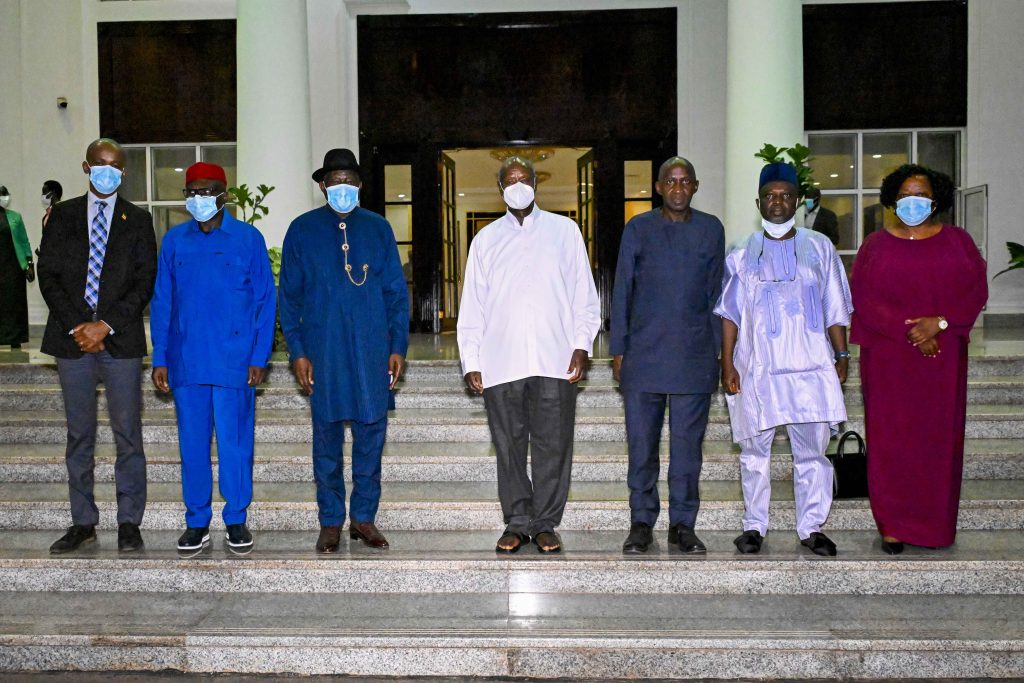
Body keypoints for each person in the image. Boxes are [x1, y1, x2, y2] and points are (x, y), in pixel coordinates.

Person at [458, 156, 601, 554]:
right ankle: (517, 521)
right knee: (509, 446)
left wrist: (582, 343)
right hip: (500, 362)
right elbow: (473, 305)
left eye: (524, 179)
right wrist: (472, 360)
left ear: (537, 182)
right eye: (510, 180)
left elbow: (583, 296)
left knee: (553, 445)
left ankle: (545, 523)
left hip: (555, 359)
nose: (518, 185)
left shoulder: (565, 231)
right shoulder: (484, 240)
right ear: (500, 188)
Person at [715, 162, 852, 557]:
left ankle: (811, 526)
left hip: (810, 366)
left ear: (797, 201)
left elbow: (835, 307)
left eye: (785, 196)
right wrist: (728, 365)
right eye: (770, 196)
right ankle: (754, 525)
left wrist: (841, 354)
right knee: (755, 450)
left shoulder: (819, 247)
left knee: (811, 451)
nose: (778, 202)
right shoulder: (741, 251)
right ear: (759, 202)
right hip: (757, 366)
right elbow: (729, 312)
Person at [850, 164, 987, 555]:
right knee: (892, 441)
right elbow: (862, 297)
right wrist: (911, 331)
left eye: (922, 194)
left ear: (936, 198)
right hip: (889, 358)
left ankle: (935, 526)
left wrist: (939, 323)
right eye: (906, 194)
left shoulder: (958, 242)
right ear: (894, 199)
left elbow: (974, 290)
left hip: (941, 361)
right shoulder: (876, 245)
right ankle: (892, 525)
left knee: (937, 443)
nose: (914, 201)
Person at [279, 148, 409, 553]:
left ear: (360, 186)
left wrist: (398, 346)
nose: (342, 188)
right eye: (334, 182)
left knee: (371, 436)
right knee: (327, 440)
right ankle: (331, 520)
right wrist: (297, 351)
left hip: (372, 352)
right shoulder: (302, 230)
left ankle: (364, 518)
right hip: (323, 354)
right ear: (322, 186)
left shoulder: (378, 228)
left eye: (349, 181)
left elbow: (395, 294)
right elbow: (290, 298)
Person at [37, 138, 157, 554]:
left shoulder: (138, 220)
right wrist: (79, 327)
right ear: (86, 167)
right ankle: (82, 521)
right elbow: (48, 276)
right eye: (100, 164)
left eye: (116, 167)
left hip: (119, 340)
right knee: (79, 435)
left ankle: (129, 522)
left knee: (128, 434)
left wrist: (104, 325)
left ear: (124, 173)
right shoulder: (62, 216)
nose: (108, 171)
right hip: (73, 343)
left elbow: (145, 283)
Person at [150, 162, 276, 555]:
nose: (198, 198)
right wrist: (161, 357)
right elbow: (162, 302)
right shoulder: (174, 241)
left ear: (225, 193)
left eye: (206, 191)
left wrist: (259, 354)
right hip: (187, 360)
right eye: (191, 191)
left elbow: (264, 300)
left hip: (234, 361)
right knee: (192, 445)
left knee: (236, 444)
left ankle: (236, 519)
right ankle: (197, 521)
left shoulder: (247, 239)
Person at [610, 157, 725, 554]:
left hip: (693, 355)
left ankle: (683, 524)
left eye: (685, 182)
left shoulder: (711, 229)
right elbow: (622, 289)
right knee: (641, 445)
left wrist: (720, 355)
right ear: (658, 187)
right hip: (643, 354)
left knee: (687, 449)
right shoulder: (639, 228)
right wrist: (618, 348)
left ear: (695, 186)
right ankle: (641, 521)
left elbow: (717, 296)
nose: (678, 189)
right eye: (670, 182)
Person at [0, 186, 34, 349]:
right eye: (2, 194)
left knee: (14, 303)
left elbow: (24, 241)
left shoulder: (15, 217)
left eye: (6, 194)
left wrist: (29, 264)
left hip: (13, 267)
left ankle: (16, 338)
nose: (5, 197)